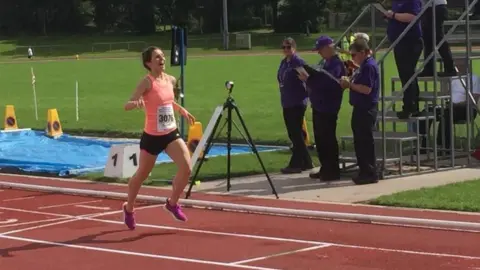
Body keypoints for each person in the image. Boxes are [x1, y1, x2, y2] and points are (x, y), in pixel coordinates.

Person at [122, 46, 196, 230]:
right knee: (142, 175)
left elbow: (167, 101)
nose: (161, 59)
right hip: (152, 137)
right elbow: (127, 105)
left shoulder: (170, 79)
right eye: (157, 57)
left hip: (170, 133)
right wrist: (136, 103)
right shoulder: (146, 82)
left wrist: (182, 110)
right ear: (149, 63)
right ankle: (129, 208)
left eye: (163, 56)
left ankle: (172, 203)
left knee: (187, 168)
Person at [298, 36, 346, 181]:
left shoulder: (336, 64)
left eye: (320, 50)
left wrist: (309, 79)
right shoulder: (327, 63)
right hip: (320, 105)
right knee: (320, 139)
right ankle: (325, 167)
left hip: (328, 106)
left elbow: (330, 85)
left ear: (328, 48)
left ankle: (332, 170)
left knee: (328, 139)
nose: (318, 53)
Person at [340, 39, 380, 184]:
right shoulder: (364, 66)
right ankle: (365, 170)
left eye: (354, 54)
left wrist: (349, 85)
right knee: (360, 141)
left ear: (363, 52)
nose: (352, 57)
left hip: (366, 107)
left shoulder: (369, 67)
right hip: (361, 107)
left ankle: (369, 172)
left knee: (364, 141)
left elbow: (366, 89)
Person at [418, 70, 480, 153]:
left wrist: (456, 104)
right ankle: (423, 145)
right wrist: (444, 82)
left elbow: (473, 100)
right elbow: (444, 95)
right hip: (449, 107)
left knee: (447, 114)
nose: (457, 64)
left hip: (467, 109)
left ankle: (443, 146)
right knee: (426, 112)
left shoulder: (474, 78)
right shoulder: (452, 77)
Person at [277, 37, 313, 174]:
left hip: (297, 101)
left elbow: (308, 78)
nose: (286, 50)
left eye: (288, 47)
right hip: (286, 101)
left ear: (294, 48)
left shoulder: (298, 61)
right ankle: (307, 161)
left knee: (296, 133)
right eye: (284, 47)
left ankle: (296, 163)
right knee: (294, 133)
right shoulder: (284, 62)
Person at [384, 0, 423, 119]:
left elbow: (412, 17)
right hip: (399, 41)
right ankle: (411, 105)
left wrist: (394, 15)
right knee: (405, 74)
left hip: (410, 41)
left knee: (407, 73)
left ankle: (410, 106)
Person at [419, 0, 456, 77]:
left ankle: (450, 68)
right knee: (428, 40)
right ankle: (429, 69)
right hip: (430, 7)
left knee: (438, 39)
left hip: (436, 7)